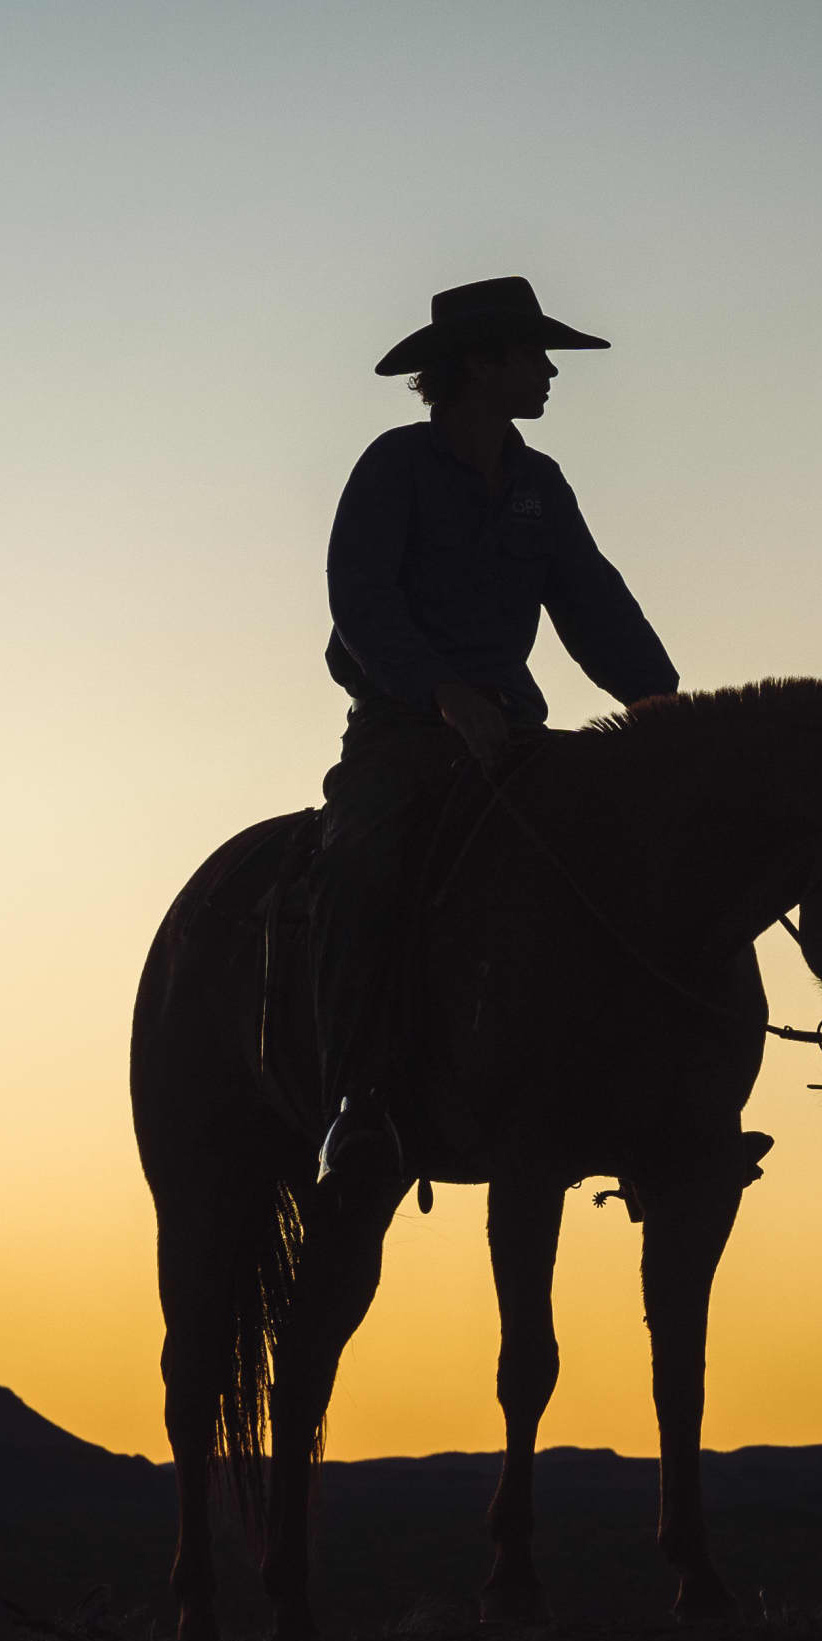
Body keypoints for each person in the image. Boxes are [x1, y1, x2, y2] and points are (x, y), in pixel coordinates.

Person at [309, 276, 681, 1182]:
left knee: (626, 862)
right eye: (533, 355)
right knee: (362, 871)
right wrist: (440, 691)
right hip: (400, 737)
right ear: (480, 365)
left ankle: (644, 1094)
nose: (550, 371)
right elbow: (361, 601)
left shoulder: (538, 485)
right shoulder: (393, 467)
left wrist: (657, 700)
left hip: (512, 735)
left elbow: (591, 598)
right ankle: (358, 1103)